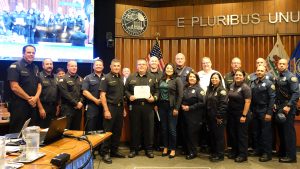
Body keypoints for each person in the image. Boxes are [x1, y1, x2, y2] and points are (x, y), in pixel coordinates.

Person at [125, 58, 159, 158]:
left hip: (148, 107)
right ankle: (134, 149)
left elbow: (157, 91)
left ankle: (149, 150)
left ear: (146, 65)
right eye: (139, 64)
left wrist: (154, 98)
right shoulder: (131, 77)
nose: (141, 66)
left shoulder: (152, 77)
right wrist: (129, 96)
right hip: (135, 106)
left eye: (143, 64)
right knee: (135, 129)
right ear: (137, 66)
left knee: (149, 129)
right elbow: (125, 90)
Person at [7, 45, 41, 132]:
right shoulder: (15, 66)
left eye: (33, 53)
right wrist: (29, 99)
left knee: (32, 133)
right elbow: (14, 87)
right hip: (19, 106)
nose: (31, 54)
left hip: (32, 105)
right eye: (28, 52)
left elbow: (39, 85)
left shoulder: (35, 67)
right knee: (17, 132)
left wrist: (35, 98)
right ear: (23, 53)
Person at [99, 59, 126, 164]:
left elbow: (121, 96)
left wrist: (123, 109)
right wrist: (106, 110)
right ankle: (105, 152)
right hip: (110, 108)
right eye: (114, 66)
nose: (116, 67)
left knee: (117, 131)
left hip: (119, 108)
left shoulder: (120, 78)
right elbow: (102, 95)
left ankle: (114, 151)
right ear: (110, 66)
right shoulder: (106, 78)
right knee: (108, 131)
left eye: (118, 66)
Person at [275, 59, 299, 163]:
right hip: (280, 106)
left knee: (288, 132)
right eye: (279, 64)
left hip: (287, 107)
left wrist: (289, 105)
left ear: (287, 65)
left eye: (283, 64)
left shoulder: (291, 77)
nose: (281, 65)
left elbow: (296, 93)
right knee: (282, 131)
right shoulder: (279, 76)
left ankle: (291, 156)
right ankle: (283, 152)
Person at [250, 65, 275, 162]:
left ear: (265, 72)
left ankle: (267, 153)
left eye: (261, 70)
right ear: (256, 71)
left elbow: (272, 98)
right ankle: (258, 149)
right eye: (258, 70)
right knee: (256, 131)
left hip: (264, 110)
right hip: (255, 110)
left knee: (266, 133)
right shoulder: (253, 82)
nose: (259, 72)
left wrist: (269, 113)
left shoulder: (269, 83)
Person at [158, 63, 183, 158]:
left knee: (172, 129)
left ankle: (172, 149)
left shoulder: (177, 79)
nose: (169, 69)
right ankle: (165, 147)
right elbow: (158, 92)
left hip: (172, 106)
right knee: (164, 129)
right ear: (165, 69)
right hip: (162, 106)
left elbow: (180, 95)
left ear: (173, 70)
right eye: (167, 68)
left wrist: (177, 108)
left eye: (170, 68)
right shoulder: (162, 79)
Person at [227, 70, 251, 162]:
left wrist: (244, 115)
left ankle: (243, 155)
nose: (238, 76)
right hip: (232, 114)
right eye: (236, 75)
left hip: (242, 114)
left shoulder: (246, 88)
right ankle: (235, 152)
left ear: (244, 77)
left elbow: (247, 102)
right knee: (233, 134)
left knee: (242, 135)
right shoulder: (232, 85)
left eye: (240, 75)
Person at [181, 71, 205, 160]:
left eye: (194, 77)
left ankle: (193, 152)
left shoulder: (199, 90)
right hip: (184, 115)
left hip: (195, 115)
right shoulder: (185, 88)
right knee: (185, 133)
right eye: (190, 77)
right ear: (187, 78)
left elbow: (202, 103)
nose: (192, 78)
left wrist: (190, 108)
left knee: (192, 134)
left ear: (197, 79)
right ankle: (187, 150)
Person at [206, 72, 228, 162]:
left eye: (216, 78)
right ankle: (215, 153)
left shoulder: (222, 90)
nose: (214, 79)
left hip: (219, 118)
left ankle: (220, 155)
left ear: (220, 80)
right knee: (213, 136)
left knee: (219, 137)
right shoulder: (210, 89)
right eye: (212, 78)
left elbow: (223, 105)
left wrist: (219, 117)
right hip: (210, 117)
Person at [174, 53, 193, 154]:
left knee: (185, 125)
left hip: (186, 100)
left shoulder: (189, 70)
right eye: (178, 58)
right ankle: (176, 146)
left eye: (181, 58)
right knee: (176, 125)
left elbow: (193, 82)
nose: (179, 60)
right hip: (175, 100)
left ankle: (186, 147)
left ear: (184, 59)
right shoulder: (172, 70)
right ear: (175, 60)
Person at [58, 60, 83, 130]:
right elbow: (65, 94)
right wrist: (76, 103)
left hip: (78, 109)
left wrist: (81, 102)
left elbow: (83, 92)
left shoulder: (80, 79)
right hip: (67, 109)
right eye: (72, 66)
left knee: (76, 130)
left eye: (75, 66)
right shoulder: (63, 79)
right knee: (66, 130)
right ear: (67, 67)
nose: (74, 68)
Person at [36, 58, 60, 128]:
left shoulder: (56, 77)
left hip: (54, 107)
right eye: (47, 64)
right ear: (43, 66)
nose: (49, 65)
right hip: (43, 106)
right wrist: (40, 108)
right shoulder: (39, 76)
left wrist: (58, 106)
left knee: (52, 129)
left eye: (51, 64)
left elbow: (58, 93)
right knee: (43, 129)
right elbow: (36, 94)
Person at [82, 59, 104, 132]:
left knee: (102, 130)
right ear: (93, 67)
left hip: (104, 107)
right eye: (96, 65)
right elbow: (85, 92)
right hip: (92, 107)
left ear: (103, 67)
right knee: (90, 129)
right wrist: (96, 100)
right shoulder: (88, 78)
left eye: (100, 65)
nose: (98, 66)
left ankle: (101, 144)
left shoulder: (106, 77)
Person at [148, 56, 163, 151]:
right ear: (149, 63)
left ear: (158, 63)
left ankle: (157, 144)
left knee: (159, 125)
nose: (153, 62)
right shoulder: (146, 74)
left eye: (155, 61)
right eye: (152, 61)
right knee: (149, 126)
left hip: (161, 104)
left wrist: (157, 103)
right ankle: (148, 145)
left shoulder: (163, 74)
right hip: (148, 104)